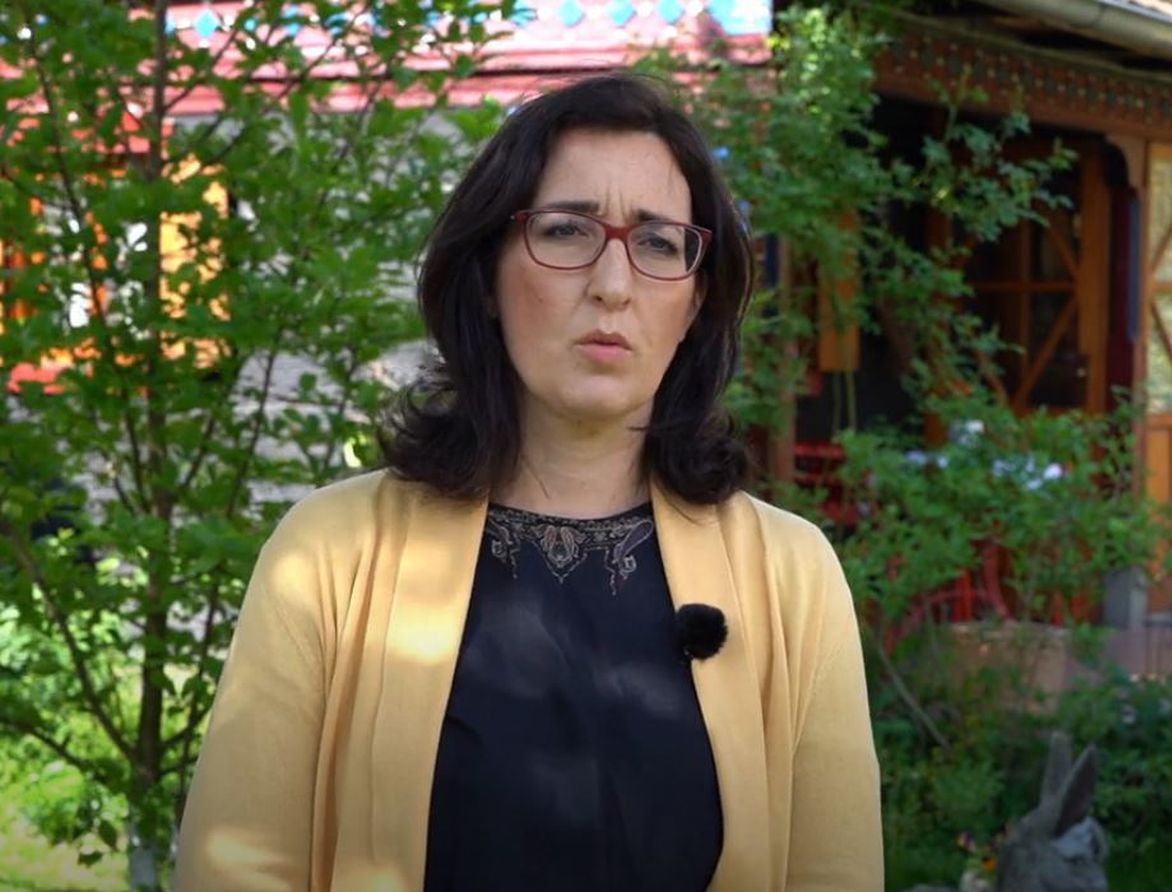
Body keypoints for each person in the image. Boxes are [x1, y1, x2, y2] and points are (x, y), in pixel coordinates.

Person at [172, 73, 883, 891]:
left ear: (694, 304)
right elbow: (236, 870)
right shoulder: (331, 556)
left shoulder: (791, 576)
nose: (613, 284)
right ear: (487, 277)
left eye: (658, 244)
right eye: (567, 230)